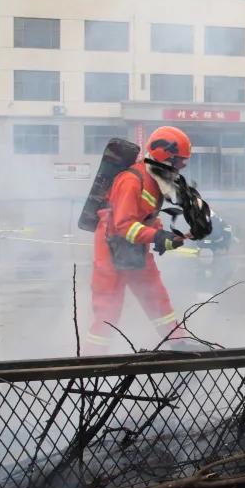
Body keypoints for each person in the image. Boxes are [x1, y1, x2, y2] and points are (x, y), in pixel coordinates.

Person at [85, 126, 195, 354]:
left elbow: (146, 215)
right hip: (111, 250)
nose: (182, 167)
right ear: (166, 157)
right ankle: (91, 363)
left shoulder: (154, 180)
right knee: (108, 310)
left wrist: (163, 235)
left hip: (135, 249)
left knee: (156, 295)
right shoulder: (131, 180)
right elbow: (124, 225)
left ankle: (177, 344)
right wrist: (156, 236)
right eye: (180, 162)